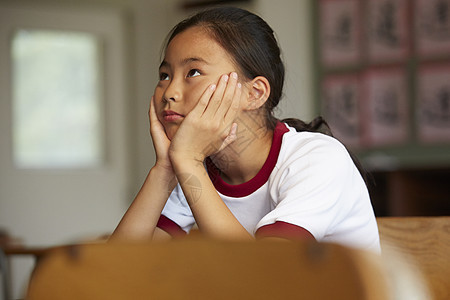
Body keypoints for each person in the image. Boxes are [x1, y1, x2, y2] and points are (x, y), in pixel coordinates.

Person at [111, 6, 380, 253]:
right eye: (164, 75)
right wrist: (165, 169)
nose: (169, 92)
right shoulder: (194, 169)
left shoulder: (318, 159)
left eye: (193, 72)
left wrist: (189, 163)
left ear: (254, 93)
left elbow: (262, 278)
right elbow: (114, 272)